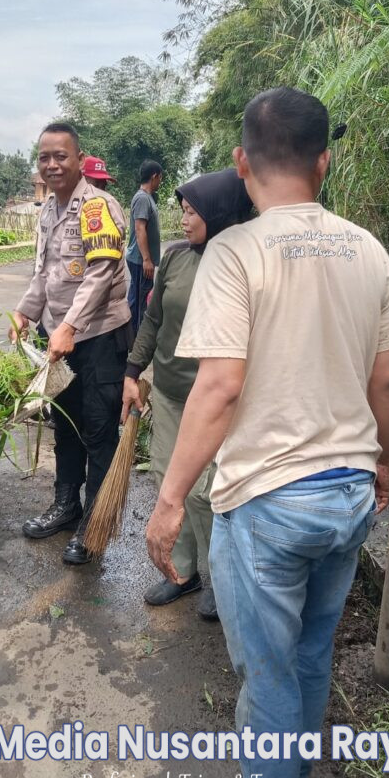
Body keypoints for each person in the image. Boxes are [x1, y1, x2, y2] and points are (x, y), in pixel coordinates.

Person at [145, 87, 389, 778]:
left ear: (241, 161)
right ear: (324, 162)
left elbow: (219, 386)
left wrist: (170, 500)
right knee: (311, 655)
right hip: (349, 495)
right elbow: (388, 381)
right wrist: (384, 463)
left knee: (267, 675)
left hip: (268, 504)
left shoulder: (234, 253)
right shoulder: (369, 251)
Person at [123, 168, 253, 621]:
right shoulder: (176, 257)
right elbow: (153, 320)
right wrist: (133, 370)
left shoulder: (243, 262)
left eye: (193, 211)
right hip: (170, 392)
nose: (183, 219)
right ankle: (181, 572)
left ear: (219, 213)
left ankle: (219, 578)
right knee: (167, 480)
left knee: (204, 493)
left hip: (215, 402)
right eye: (182, 210)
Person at [10, 122, 131, 565]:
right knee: (64, 423)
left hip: (98, 337)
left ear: (79, 159)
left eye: (60, 156)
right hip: (60, 339)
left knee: (98, 429)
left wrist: (70, 326)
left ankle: (94, 522)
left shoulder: (97, 206)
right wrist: (25, 312)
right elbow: (44, 273)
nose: (52, 164)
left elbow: (101, 272)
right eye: (44, 157)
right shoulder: (48, 210)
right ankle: (67, 505)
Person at [126, 161, 162, 330]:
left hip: (141, 259)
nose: (160, 182)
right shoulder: (142, 198)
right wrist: (147, 259)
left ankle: (133, 335)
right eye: (160, 178)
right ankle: (137, 337)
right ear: (154, 176)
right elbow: (140, 228)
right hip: (141, 260)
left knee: (138, 298)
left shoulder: (146, 198)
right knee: (141, 302)